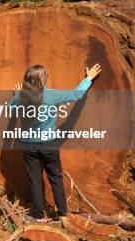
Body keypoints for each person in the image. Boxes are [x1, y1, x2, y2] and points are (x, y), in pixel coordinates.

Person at [10, 63, 102, 222]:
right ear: (42, 80)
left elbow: (10, 111)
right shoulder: (51, 95)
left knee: (35, 179)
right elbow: (76, 94)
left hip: (28, 144)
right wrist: (89, 78)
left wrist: (16, 96)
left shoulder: (21, 96)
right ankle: (62, 214)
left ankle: (39, 216)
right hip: (48, 144)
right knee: (55, 177)